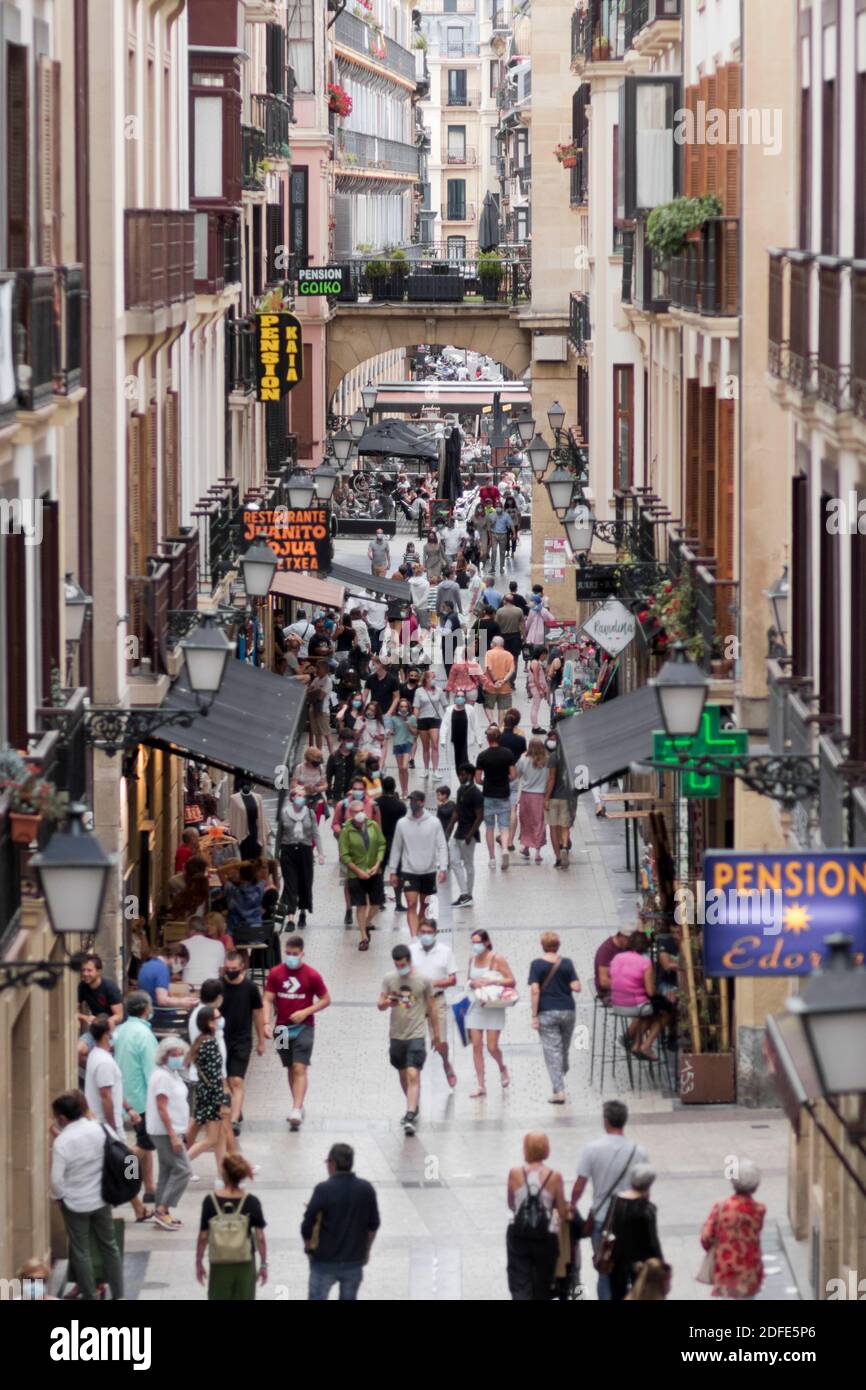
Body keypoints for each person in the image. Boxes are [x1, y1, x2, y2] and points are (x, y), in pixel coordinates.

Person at [571, 1100, 649, 1301]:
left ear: (605, 1121)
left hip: (602, 1221)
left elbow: (579, 1185)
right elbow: (645, 1192)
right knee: (631, 1270)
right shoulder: (639, 1152)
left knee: (605, 1271)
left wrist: (572, 1205)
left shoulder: (592, 1149)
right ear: (624, 1121)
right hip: (630, 1221)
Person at [50, 1092, 124, 1301]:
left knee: (80, 1251)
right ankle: (119, 1295)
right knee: (109, 1246)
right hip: (102, 1198)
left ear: (62, 1118)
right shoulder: (100, 1129)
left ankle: (90, 1295)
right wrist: (127, 1182)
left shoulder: (62, 1141)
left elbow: (56, 1180)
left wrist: (59, 1196)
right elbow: (123, 1153)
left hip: (74, 1203)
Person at [264, 936, 330, 1130]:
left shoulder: (312, 975)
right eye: (289, 954)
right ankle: (298, 1104)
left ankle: (295, 1108)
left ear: (302, 954)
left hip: (304, 1027)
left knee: (300, 1067)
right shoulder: (275, 974)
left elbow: (325, 999)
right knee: (290, 1067)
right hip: (282, 1029)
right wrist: (266, 1022)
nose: (291, 957)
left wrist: (305, 1012)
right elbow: (267, 999)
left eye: (295, 954)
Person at [301, 1143, 381, 1301]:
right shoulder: (366, 1189)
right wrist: (366, 1250)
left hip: (324, 1261)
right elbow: (373, 1225)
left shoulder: (323, 1189)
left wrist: (309, 1246)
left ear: (333, 1163)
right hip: (353, 1261)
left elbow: (307, 1224)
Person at [377, 943, 441, 1135]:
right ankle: (413, 1104)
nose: (400, 968)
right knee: (403, 1076)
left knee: (413, 1074)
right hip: (397, 1035)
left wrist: (436, 1035)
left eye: (403, 964)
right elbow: (380, 1004)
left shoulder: (423, 981)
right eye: (397, 965)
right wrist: (388, 1002)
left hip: (416, 1034)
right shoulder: (389, 979)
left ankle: (410, 1113)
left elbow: (432, 1008)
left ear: (409, 961)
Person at [506, 1132, 570, 1302]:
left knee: (519, 1279)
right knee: (543, 1282)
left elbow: (511, 1204)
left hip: (519, 1234)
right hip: (545, 1236)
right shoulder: (554, 1176)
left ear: (525, 1149)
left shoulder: (514, 1173)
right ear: (546, 1149)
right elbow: (561, 1211)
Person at [197, 1154, 267, 1301]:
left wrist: (199, 1262)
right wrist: (263, 1265)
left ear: (224, 1173)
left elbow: (203, 1236)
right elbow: (260, 1237)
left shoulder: (210, 1201)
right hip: (245, 1261)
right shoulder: (251, 1201)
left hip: (219, 1262)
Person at [112, 990, 158, 1204]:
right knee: (143, 1146)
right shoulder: (145, 1035)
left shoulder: (120, 1031)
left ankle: (147, 1188)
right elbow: (152, 1071)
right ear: (146, 1009)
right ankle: (124, 1167)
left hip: (125, 1096)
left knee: (145, 1144)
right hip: (142, 1098)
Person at [145, 1036, 194, 1231]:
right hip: (165, 1132)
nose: (178, 1057)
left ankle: (161, 1209)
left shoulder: (172, 1073)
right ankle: (163, 1209)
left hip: (172, 1131)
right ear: (165, 1056)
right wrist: (174, 1135)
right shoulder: (162, 1076)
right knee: (183, 1169)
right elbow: (162, 1107)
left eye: (180, 1053)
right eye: (174, 1054)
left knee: (167, 1170)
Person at [700, 1159, 766, 1299]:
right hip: (750, 1270)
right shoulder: (759, 1209)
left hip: (726, 1269)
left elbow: (706, 1237)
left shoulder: (721, 1206)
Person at [529, 932, 582, 1103]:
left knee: (552, 1052)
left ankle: (559, 1092)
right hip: (568, 1011)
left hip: (547, 1013)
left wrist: (534, 1016)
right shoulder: (566, 963)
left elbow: (535, 990)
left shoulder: (536, 965)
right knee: (563, 1048)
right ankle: (562, 1068)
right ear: (558, 945)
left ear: (542, 945)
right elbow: (577, 987)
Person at [387, 789, 449, 938]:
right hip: (409, 870)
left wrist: (443, 867)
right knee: (411, 904)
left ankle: (421, 931)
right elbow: (397, 847)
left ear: (422, 803)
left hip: (428, 870)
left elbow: (441, 845)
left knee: (425, 905)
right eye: (411, 800)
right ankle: (414, 938)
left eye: (415, 800)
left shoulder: (434, 822)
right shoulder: (402, 823)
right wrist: (393, 871)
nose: (412, 803)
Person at [609, 930, 674, 1061]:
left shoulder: (617, 957)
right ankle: (646, 1045)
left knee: (649, 1012)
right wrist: (661, 994)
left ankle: (636, 1045)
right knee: (667, 1011)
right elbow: (650, 991)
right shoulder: (645, 962)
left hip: (616, 1003)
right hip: (635, 1005)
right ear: (646, 947)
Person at [409, 918, 458, 1088]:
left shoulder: (445, 951)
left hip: (437, 999)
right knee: (414, 1040)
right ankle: (415, 1076)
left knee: (441, 1041)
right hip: (417, 1000)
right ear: (418, 932)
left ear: (435, 933)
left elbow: (453, 979)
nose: (426, 935)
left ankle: (446, 1062)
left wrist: (434, 983)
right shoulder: (411, 950)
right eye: (423, 932)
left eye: (429, 932)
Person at [220, 950, 265, 1133]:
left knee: (236, 1080)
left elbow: (257, 1013)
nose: (230, 971)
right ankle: (236, 1110)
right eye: (227, 968)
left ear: (241, 968)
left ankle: (234, 1121)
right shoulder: (218, 986)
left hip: (242, 1040)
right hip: (221, 1041)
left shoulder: (251, 988)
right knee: (226, 1082)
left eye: (233, 968)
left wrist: (261, 1040)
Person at [466, 929, 514, 1096]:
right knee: (476, 1046)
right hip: (476, 1006)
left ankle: (502, 1067)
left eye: (478, 942)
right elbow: (469, 980)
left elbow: (511, 980)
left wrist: (492, 980)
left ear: (486, 942)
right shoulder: (471, 959)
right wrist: (473, 983)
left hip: (493, 1005)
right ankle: (481, 1085)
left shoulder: (496, 958)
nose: (475, 945)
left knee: (492, 1047)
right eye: (473, 942)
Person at [607, 1164, 664, 1302]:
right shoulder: (647, 1209)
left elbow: (608, 1228)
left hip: (616, 1259)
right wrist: (661, 1263)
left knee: (617, 1294)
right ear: (649, 1184)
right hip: (640, 1263)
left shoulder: (615, 1201)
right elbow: (652, 1240)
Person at [186, 1006, 231, 1176]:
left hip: (204, 1093)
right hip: (212, 1096)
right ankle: (181, 1164)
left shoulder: (200, 1040)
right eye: (217, 1017)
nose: (221, 1020)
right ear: (210, 1023)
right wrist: (223, 1101)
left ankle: (222, 1174)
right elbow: (214, 1077)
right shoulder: (210, 1043)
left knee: (220, 1137)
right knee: (212, 1138)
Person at [339, 800, 387, 950]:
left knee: (376, 903)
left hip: (374, 870)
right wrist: (358, 871)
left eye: (361, 810)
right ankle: (363, 937)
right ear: (351, 814)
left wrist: (377, 863)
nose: (359, 814)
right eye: (355, 812)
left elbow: (381, 844)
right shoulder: (346, 830)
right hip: (356, 873)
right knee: (360, 905)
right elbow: (344, 855)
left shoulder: (373, 825)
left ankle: (365, 924)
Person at [277, 786, 324, 931]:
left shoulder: (309, 813)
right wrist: (275, 855)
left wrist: (321, 853)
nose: (301, 798)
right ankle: (290, 918)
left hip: (305, 851)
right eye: (298, 795)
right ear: (292, 798)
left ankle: (303, 911)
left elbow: (316, 834)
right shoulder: (284, 814)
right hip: (288, 851)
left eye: (303, 796)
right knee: (291, 885)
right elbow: (279, 836)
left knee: (305, 883)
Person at [476, 724, 516, 870]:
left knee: (489, 828)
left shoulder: (482, 756)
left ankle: (492, 858)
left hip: (488, 795)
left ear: (487, 739)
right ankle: (505, 848)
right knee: (504, 826)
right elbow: (513, 775)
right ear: (499, 738)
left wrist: (485, 782)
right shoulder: (508, 754)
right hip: (504, 794)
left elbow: (477, 779)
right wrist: (505, 780)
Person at [451, 762, 483, 906]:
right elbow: (457, 811)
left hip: (468, 835)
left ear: (469, 775)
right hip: (458, 833)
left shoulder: (476, 793)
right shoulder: (460, 790)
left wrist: (471, 834)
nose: (460, 776)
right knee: (454, 861)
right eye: (459, 774)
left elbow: (480, 815)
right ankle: (464, 893)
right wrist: (449, 828)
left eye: (463, 774)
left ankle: (468, 895)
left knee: (468, 865)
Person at [543, 730, 575, 869]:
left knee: (553, 828)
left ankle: (558, 858)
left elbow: (551, 779)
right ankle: (565, 847)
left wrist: (546, 797)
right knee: (565, 826)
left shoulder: (553, 757)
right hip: (568, 797)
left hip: (554, 797)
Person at [516, 738, 550, 863]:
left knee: (525, 821)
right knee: (539, 823)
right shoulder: (547, 761)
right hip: (540, 796)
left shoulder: (523, 759)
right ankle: (537, 851)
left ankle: (525, 846)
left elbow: (517, 774)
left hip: (526, 795)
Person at [137, 943, 198, 1009]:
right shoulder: (162, 969)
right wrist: (182, 1002)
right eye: (182, 962)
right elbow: (162, 1000)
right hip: (159, 1013)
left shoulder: (147, 965)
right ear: (174, 956)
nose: (181, 967)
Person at [377, 776, 407, 907]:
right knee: (397, 872)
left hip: (380, 841)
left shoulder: (376, 803)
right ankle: (399, 903)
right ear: (394, 787)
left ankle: (379, 900)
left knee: (379, 870)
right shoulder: (400, 805)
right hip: (395, 842)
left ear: (382, 788)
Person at [77, 953, 124, 1033]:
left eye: (89, 970)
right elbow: (74, 1009)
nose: (85, 974)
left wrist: (103, 1023)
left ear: (98, 971)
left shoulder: (110, 988)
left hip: (118, 1028)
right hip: (98, 1028)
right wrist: (86, 1018)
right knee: (81, 1044)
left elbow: (119, 1016)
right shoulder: (83, 986)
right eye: (83, 970)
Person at [411, 669, 446, 776]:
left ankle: (435, 770)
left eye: (434, 677)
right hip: (422, 720)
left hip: (434, 719)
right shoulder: (419, 691)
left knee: (435, 745)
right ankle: (426, 769)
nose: (434, 679)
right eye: (432, 677)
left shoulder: (439, 691)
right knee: (425, 747)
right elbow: (416, 707)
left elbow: (445, 705)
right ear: (426, 678)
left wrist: (448, 719)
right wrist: (414, 722)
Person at [179, 917, 226, 987]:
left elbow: (175, 971)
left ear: (191, 929)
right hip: (212, 987)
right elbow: (221, 971)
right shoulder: (219, 944)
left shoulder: (182, 944)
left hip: (189, 987)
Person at [482, 635, 515, 727]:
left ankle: (492, 723)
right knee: (503, 708)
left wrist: (496, 681)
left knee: (488, 706)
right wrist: (503, 681)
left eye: (491, 642)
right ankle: (500, 727)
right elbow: (511, 670)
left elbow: (489, 668)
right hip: (505, 687)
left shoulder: (488, 654)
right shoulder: (509, 655)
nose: (490, 644)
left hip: (490, 687)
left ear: (494, 644)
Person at [387, 697, 417, 797]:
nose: (403, 708)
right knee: (400, 769)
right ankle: (403, 790)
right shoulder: (394, 718)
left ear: (408, 707)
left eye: (405, 706)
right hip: (397, 744)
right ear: (398, 708)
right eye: (401, 706)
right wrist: (390, 732)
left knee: (405, 767)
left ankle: (406, 789)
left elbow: (415, 733)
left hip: (407, 743)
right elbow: (392, 731)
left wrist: (409, 725)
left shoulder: (412, 718)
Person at [594, 927, 631, 1001]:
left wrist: (647, 927)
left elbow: (648, 938)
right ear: (622, 936)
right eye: (629, 940)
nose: (631, 944)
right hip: (608, 991)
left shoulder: (626, 945)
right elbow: (604, 982)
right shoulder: (606, 949)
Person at [305, 660, 334, 754]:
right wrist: (314, 693)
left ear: (325, 669)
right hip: (313, 709)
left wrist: (313, 693)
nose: (316, 670)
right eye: (316, 667)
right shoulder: (316, 679)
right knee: (317, 734)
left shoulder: (328, 681)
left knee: (326, 733)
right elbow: (308, 691)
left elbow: (321, 696)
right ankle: (318, 753)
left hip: (323, 711)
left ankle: (332, 754)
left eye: (319, 668)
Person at [494, 594, 525, 677]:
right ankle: (512, 681)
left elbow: (496, 625)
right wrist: (524, 638)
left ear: (505, 601)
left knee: (502, 659)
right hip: (515, 637)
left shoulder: (499, 611)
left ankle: (504, 678)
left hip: (503, 638)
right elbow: (522, 626)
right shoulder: (519, 610)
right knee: (514, 660)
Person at [326, 732, 359, 805]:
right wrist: (329, 796)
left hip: (352, 794)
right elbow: (328, 777)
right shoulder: (334, 756)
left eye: (352, 741)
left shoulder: (356, 755)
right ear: (342, 740)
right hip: (337, 795)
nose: (351, 743)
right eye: (348, 741)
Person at [527, 646, 551, 731]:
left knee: (535, 706)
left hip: (535, 687)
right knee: (535, 707)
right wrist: (540, 690)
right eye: (544, 654)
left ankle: (535, 725)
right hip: (536, 688)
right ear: (540, 654)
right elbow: (536, 678)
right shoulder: (536, 663)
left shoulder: (535, 662)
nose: (545, 656)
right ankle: (535, 726)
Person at [490, 504, 515, 574]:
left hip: (503, 535)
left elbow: (511, 524)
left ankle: (501, 567)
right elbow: (489, 526)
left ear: (502, 508)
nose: (498, 508)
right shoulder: (492, 515)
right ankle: (492, 567)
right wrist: (493, 523)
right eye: (497, 507)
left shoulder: (506, 515)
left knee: (502, 552)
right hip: (494, 534)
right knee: (494, 551)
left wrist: (514, 533)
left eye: (499, 507)